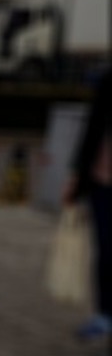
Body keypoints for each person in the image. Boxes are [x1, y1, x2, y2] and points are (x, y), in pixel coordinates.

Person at [63, 72, 111, 339]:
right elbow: (92, 131)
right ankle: (104, 315)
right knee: (105, 251)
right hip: (102, 183)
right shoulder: (106, 81)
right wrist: (75, 177)